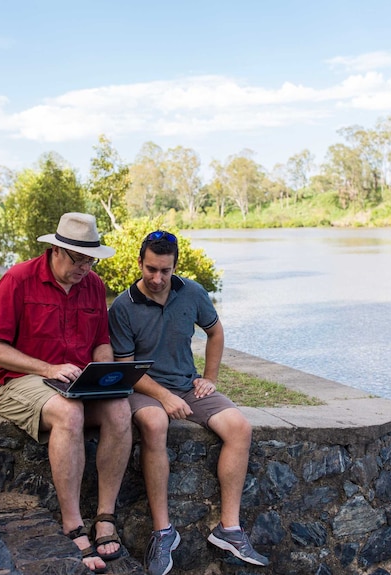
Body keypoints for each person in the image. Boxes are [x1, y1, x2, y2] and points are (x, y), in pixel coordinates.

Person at [108, 230, 269, 575]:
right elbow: (125, 367)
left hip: (186, 385)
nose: (157, 278)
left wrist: (209, 378)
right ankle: (163, 533)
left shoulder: (192, 292)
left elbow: (215, 331)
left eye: (165, 271)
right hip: (142, 389)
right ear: (139, 263)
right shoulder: (122, 306)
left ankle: (229, 529)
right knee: (154, 423)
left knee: (239, 427)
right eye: (151, 269)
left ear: (175, 267)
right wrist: (163, 396)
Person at [0, 212, 131, 575]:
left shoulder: (93, 285)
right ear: (56, 250)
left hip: (75, 383)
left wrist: (105, 374)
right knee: (68, 412)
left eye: (91, 259)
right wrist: (47, 369)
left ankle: (105, 516)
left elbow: (100, 342)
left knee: (121, 410)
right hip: (19, 381)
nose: (85, 268)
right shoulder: (18, 279)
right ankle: (72, 523)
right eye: (79, 259)